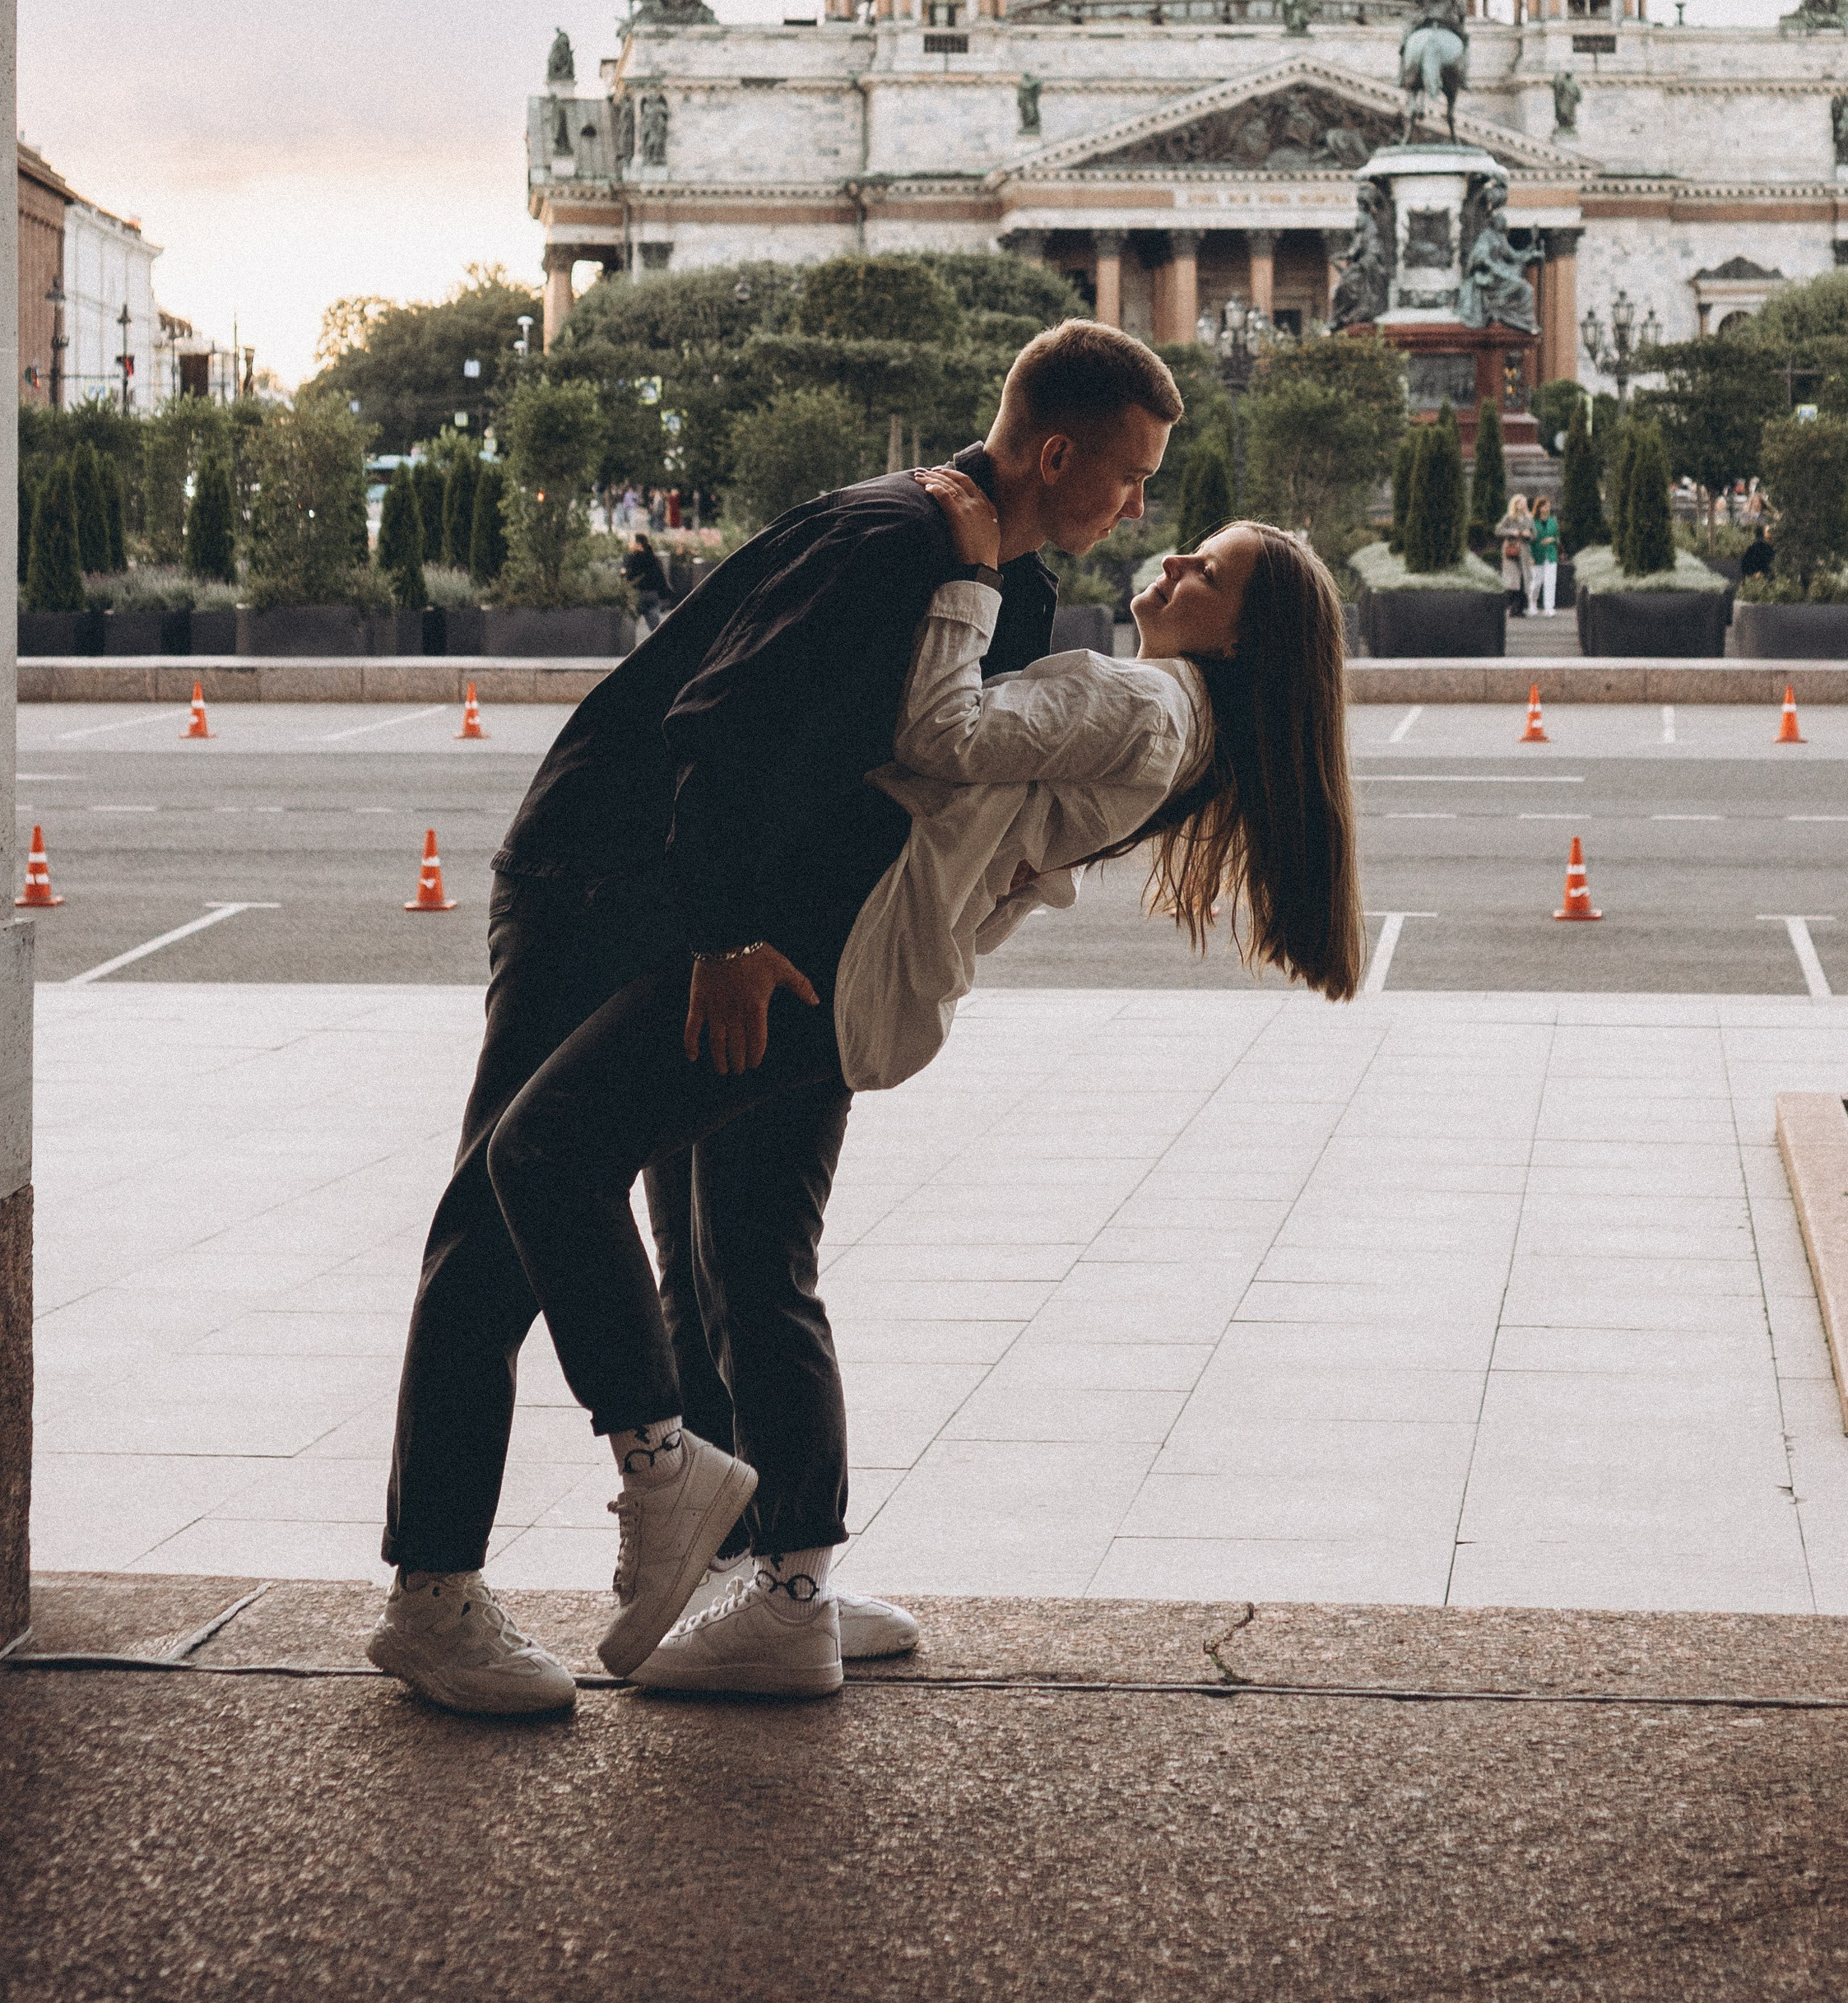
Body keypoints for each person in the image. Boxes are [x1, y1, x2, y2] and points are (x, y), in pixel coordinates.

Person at [367, 318, 1182, 1717]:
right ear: (1058, 453)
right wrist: (731, 937)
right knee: (501, 1218)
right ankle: (434, 1595)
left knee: (733, 1242)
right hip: (602, 874)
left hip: (746, 920)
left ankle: (765, 1572)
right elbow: (719, 729)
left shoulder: (1002, 581)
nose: (1139, 507)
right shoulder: (891, 542)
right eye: (1130, 476)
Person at [485, 481, 1362, 1699]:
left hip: (821, 952)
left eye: (1204, 573)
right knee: (723, 1254)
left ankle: (764, 1563)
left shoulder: (1142, 698)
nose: (1167, 559)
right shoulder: (1181, 725)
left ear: (1243, 637)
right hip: (852, 960)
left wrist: (960, 581)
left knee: (655, 1216)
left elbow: (938, 734)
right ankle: (773, 1569)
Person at [622, 529, 675, 634]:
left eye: (632, 542)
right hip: (653, 595)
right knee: (655, 628)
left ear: (639, 544)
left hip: (638, 595)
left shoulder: (633, 559)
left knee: (629, 624)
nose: (629, 544)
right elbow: (660, 577)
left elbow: (629, 577)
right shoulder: (653, 558)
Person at [1495, 491, 1532, 618]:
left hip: (1524, 553)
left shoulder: (1528, 518)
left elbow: (1535, 534)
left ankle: (1520, 608)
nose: (1522, 506)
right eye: (1520, 504)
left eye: (1524, 504)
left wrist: (1529, 535)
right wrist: (1512, 532)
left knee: (1523, 581)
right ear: (1515, 505)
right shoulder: (1509, 517)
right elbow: (1498, 530)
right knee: (1514, 582)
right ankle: (1513, 608)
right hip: (1511, 552)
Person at [1528, 495, 1561, 615]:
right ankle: (1532, 604)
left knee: (1550, 582)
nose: (1548, 508)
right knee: (1536, 581)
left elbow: (1557, 537)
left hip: (1551, 555)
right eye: (1545, 506)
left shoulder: (1553, 521)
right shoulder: (1532, 522)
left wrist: (1552, 539)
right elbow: (1529, 541)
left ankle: (1549, 608)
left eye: (1549, 506)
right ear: (1539, 508)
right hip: (1537, 555)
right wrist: (1530, 556)